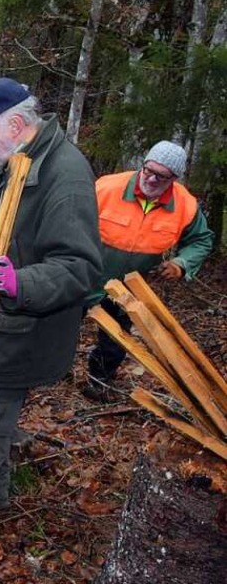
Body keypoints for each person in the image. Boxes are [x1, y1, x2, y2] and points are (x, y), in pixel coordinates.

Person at [0, 77, 102, 547]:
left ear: (15, 123)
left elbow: (79, 267)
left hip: (18, 332)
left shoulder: (64, 175)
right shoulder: (10, 161)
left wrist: (21, 282)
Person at [83, 140, 214, 400]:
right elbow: (71, 219)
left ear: (174, 178)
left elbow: (201, 240)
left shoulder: (185, 205)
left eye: (161, 176)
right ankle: (50, 371)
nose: (152, 179)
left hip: (128, 288)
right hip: (85, 274)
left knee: (116, 341)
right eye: (148, 170)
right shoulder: (106, 187)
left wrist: (181, 263)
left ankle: (98, 381)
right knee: (57, 328)